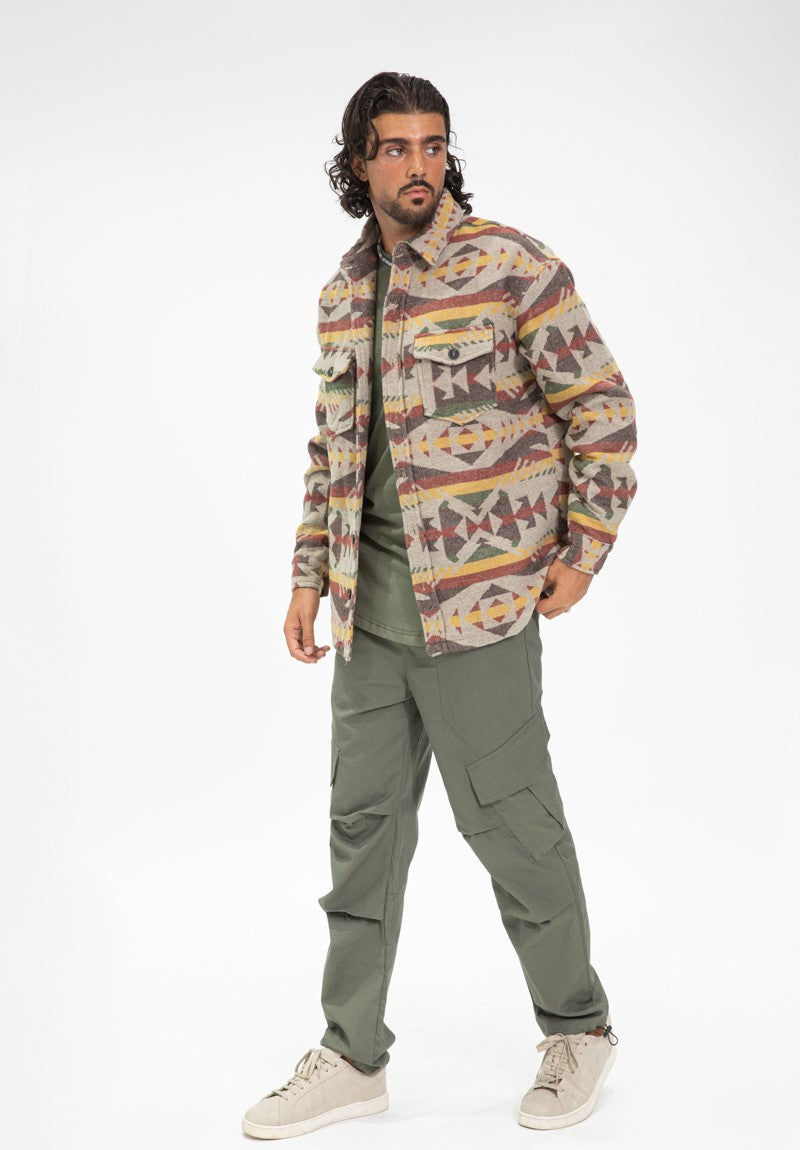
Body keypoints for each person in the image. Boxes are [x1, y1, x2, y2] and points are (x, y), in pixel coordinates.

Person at [243, 70, 636, 1140]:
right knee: (360, 835)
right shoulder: (341, 294)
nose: (418, 166)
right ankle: (350, 1053)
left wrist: (584, 552)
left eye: (432, 145)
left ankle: (578, 1027)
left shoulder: (511, 265)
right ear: (358, 162)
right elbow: (331, 450)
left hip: (477, 608)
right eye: (395, 147)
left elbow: (601, 408)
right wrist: (305, 575)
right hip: (366, 613)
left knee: (512, 824)